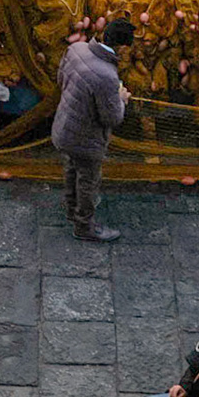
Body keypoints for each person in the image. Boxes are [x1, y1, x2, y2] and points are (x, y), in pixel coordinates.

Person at [51, 18, 132, 241]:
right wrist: (121, 98)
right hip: (86, 140)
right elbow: (112, 117)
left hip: (63, 126)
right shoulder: (107, 75)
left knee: (70, 168)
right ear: (123, 47)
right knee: (88, 179)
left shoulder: (76, 49)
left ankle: (70, 208)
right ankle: (84, 226)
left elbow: (61, 79)